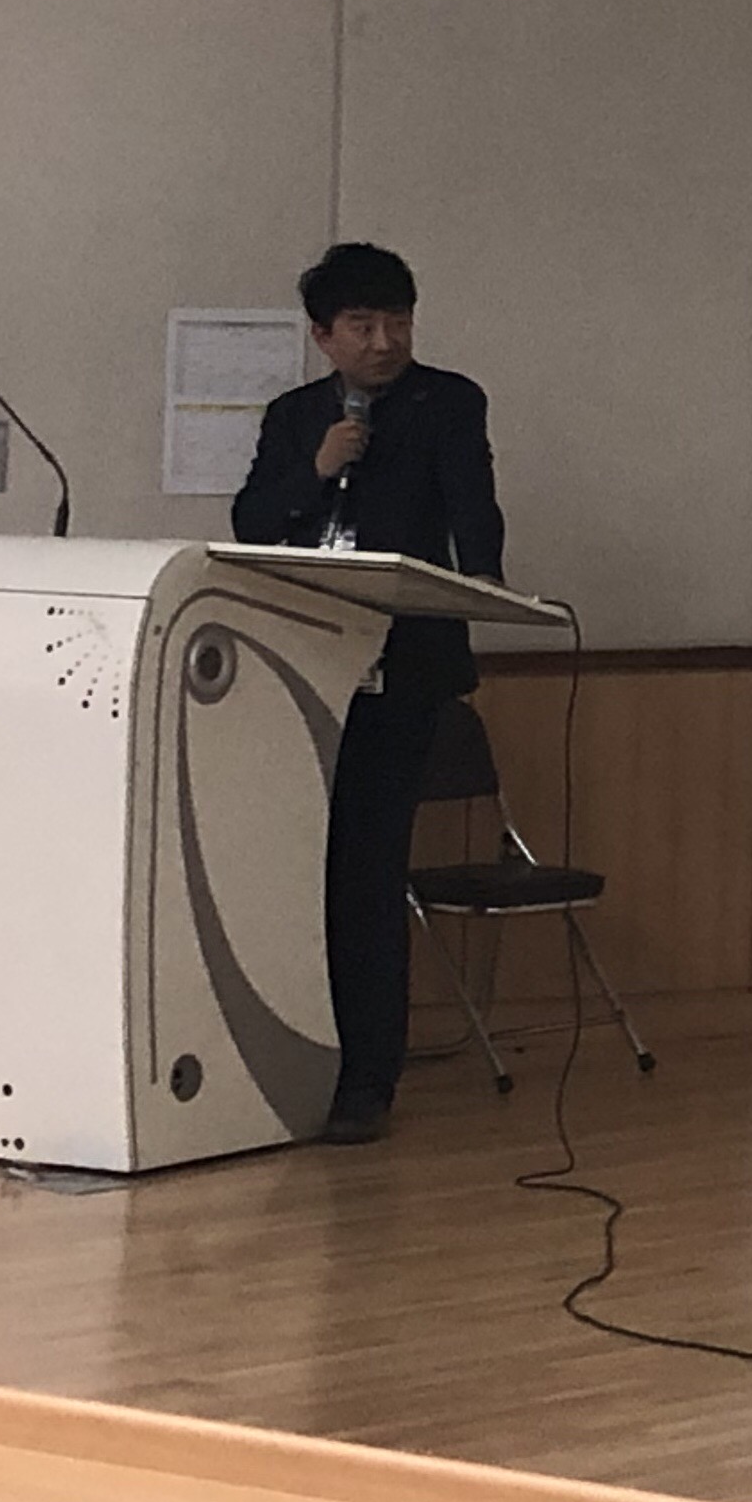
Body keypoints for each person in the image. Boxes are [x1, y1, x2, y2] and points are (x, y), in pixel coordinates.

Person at [231, 240, 502, 1146]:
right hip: (300, 672)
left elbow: (473, 509)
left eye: (398, 322)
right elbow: (252, 522)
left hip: (402, 672)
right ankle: (287, 1057)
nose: (384, 342)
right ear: (323, 336)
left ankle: (367, 1079)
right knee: (293, 871)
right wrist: (317, 467)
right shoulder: (295, 417)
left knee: (368, 874)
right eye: (362, 325)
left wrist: (487, 584)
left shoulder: (447, 402)